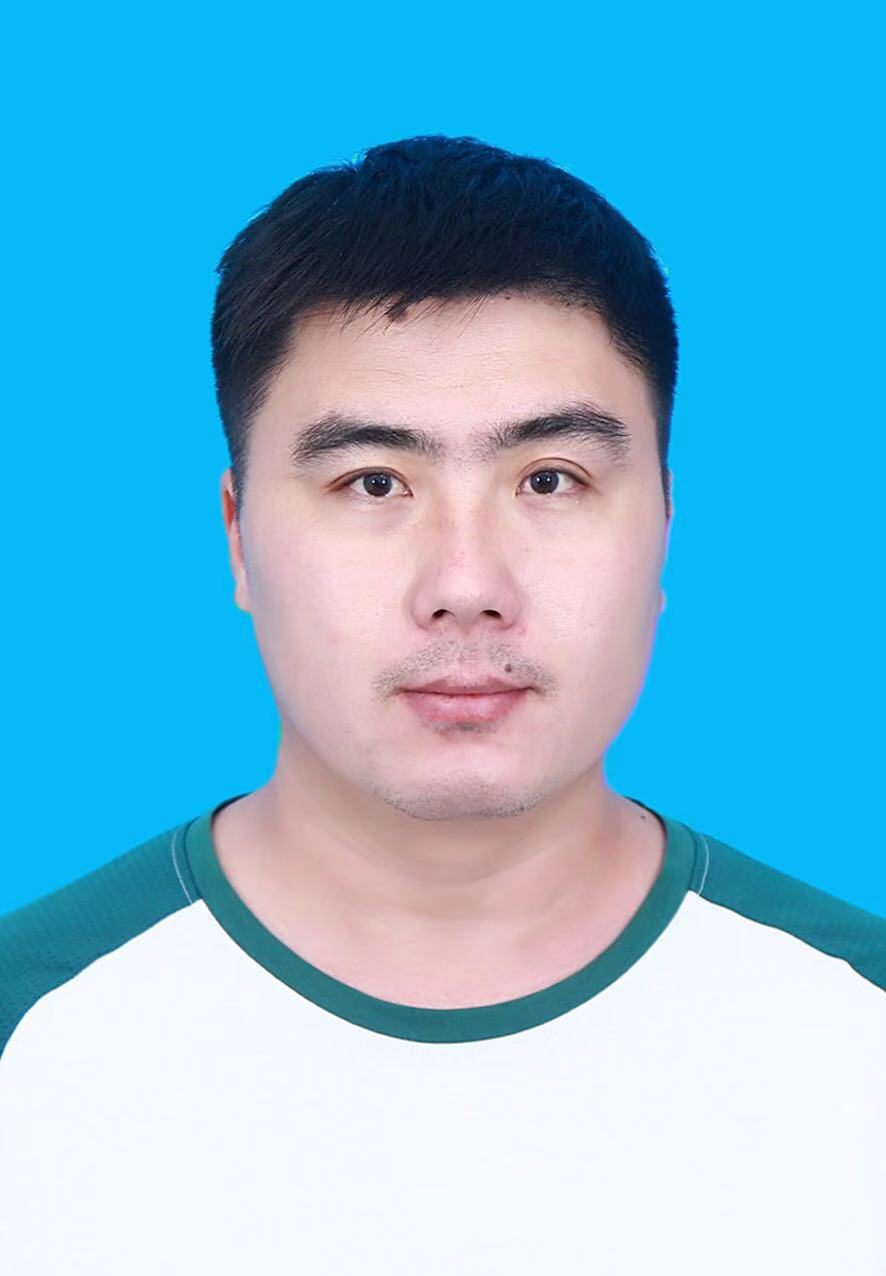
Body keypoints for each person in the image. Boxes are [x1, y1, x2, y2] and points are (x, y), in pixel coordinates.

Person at [1, 134, 883, 1274]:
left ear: (664, 522)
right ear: (237, 534)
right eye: (374, 482)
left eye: (549, 479)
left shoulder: (855, 1030)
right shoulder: (32, 1035)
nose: (466, 584)